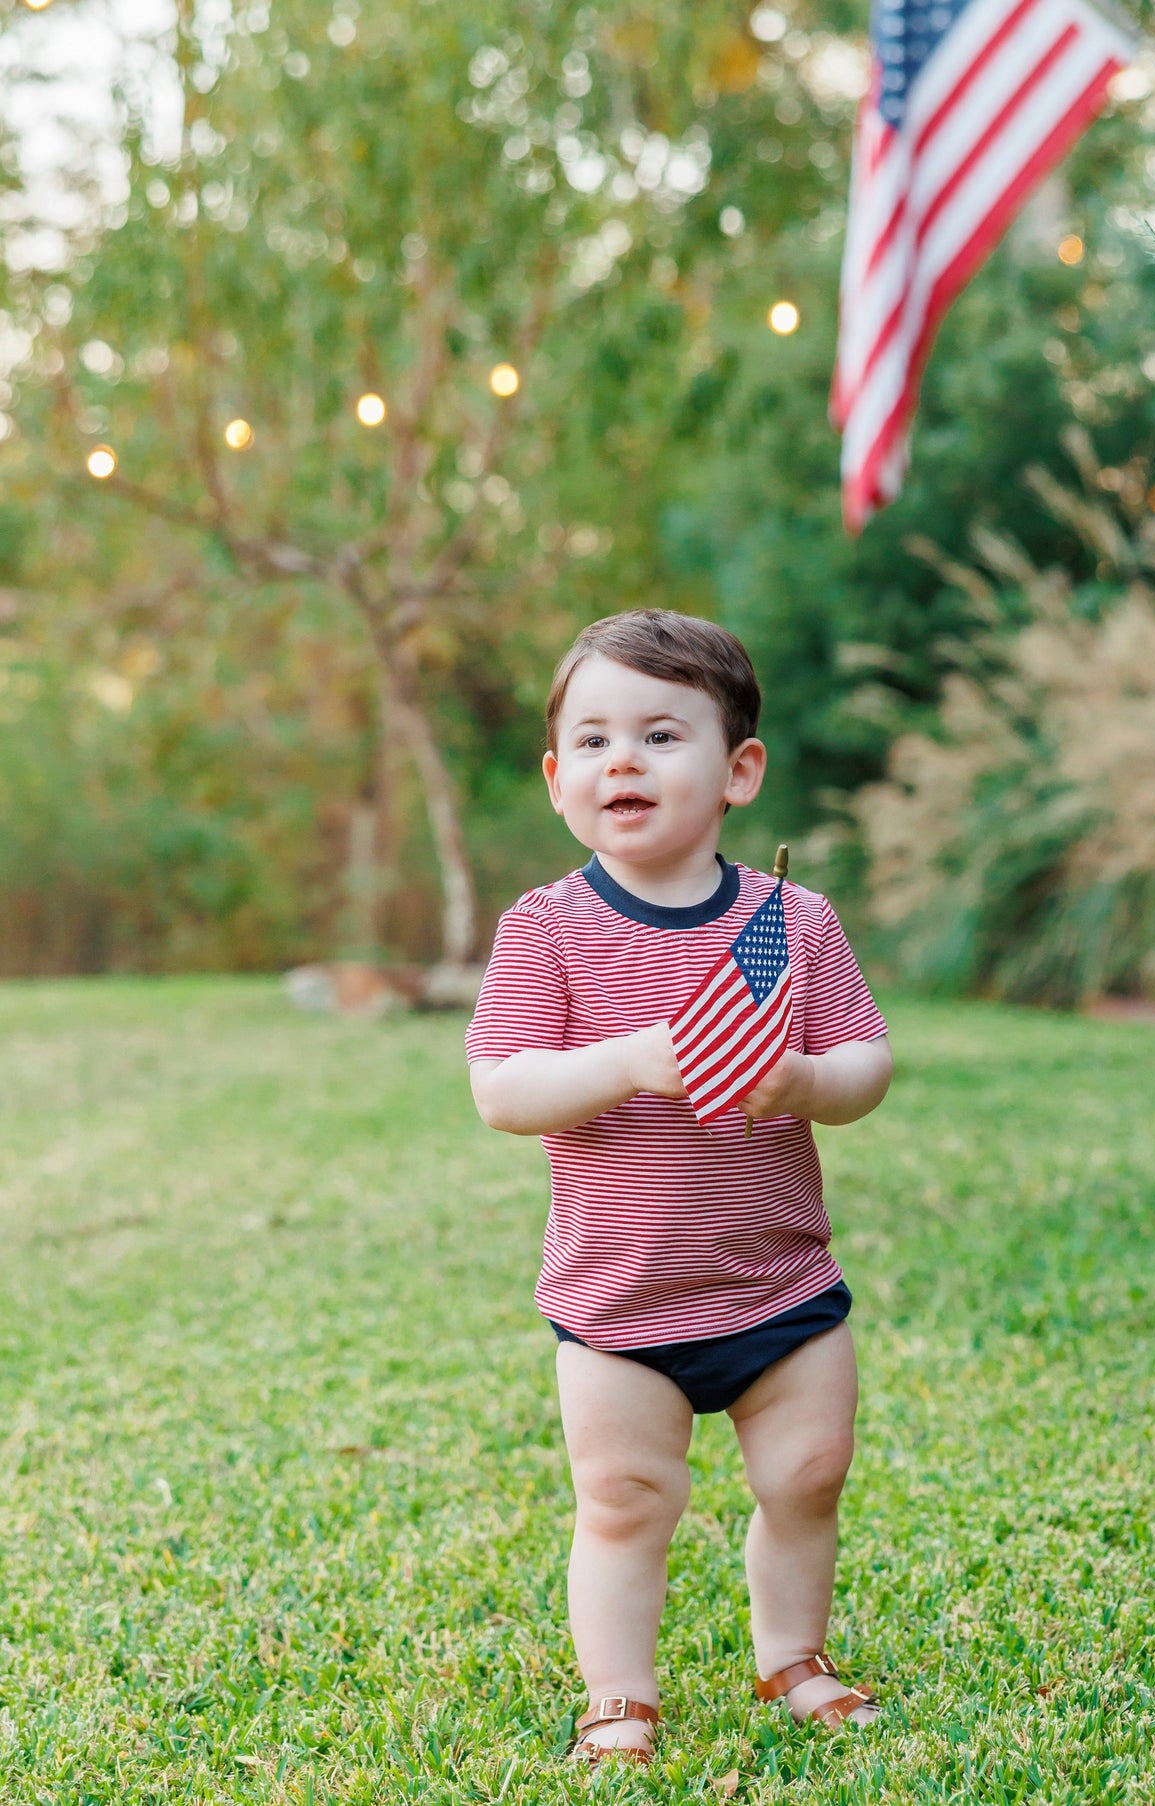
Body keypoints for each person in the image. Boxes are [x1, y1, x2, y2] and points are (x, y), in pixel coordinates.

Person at [466, 609, 893, 1766]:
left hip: (777, 1287)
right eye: (594, 741)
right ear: (558, 779)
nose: (623, 762)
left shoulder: (790, 922)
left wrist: (802, 1076)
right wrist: (631, 1062)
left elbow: (867, 1062)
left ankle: (791, 1655)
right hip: (619, 1302)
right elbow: (500, 1087)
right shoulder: (546, 930)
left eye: (660, 736)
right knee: (622, 1498)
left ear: (737, 770)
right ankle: (619, 1691)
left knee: (808, 1476)